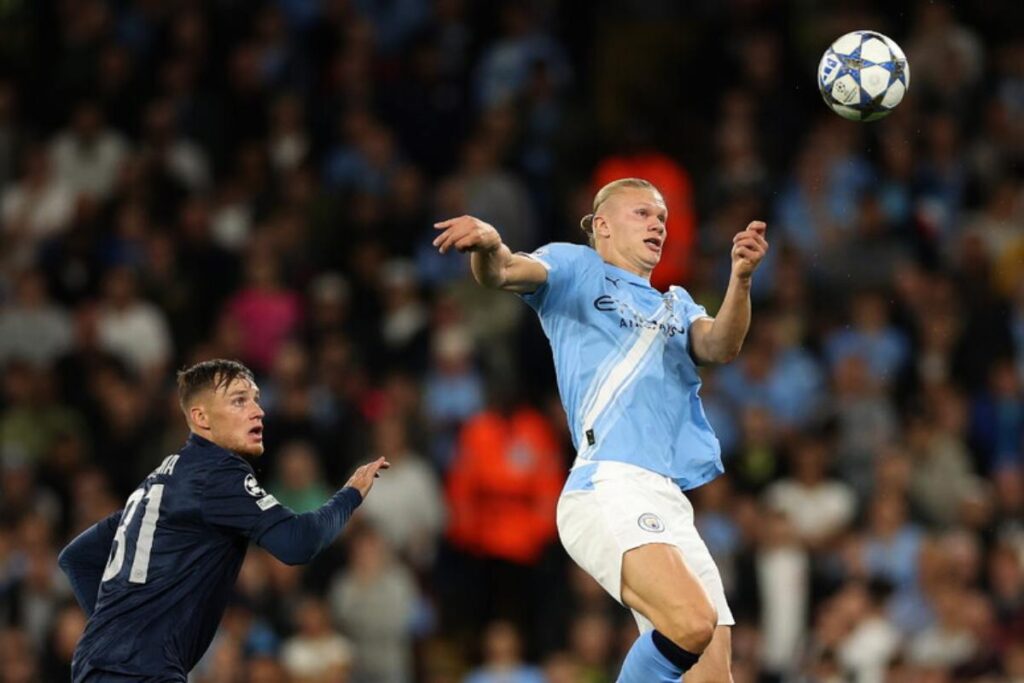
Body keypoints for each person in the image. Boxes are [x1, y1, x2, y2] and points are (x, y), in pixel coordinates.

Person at [433, 177, 768, 682]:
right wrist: (489, 244)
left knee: (713, 673)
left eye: (662, 218)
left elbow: (721, 345)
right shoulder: (577, 268)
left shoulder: (676, 306)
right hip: (608, 485)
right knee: (691, 624)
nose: (658, 223)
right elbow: (502, 270)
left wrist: (740, 279)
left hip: (667, 501)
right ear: (603, 225)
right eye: (643, 214)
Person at [57, 359, 389, 682]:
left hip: (99, 666)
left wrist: (113, 635)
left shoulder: (162, 481)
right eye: (239, 400)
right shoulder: (216, 474)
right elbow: (298, 543)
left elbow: (77, 557)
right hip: (141, 671)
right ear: (201, 418)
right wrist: (350, 493)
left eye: (256, 398)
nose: (258, 410)